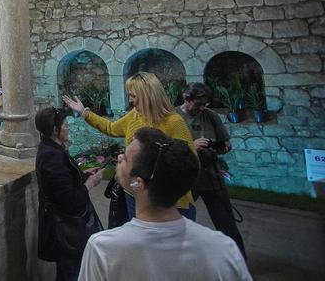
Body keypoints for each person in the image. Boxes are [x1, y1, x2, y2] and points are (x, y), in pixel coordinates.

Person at [78, 127, 251, 281]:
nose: (120, 157)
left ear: (137, 183)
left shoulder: (103, 249)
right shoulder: (222, 248)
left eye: (126, 158)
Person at [63, 72, 197, 219]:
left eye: (133, 96)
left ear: (147, 96)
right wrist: (84, 113)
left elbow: (188, 163)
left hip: (168, 200)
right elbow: (111, 128)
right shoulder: (134, 116)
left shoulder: (174, 122)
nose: (130, 100)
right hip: (134, 193)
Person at [176, 82, 246, 257]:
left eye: (205, 104)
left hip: (211, 177)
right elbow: (167, 148)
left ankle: (238, 261)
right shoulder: (173, 117)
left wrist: (216, 147)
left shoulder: (211, 116)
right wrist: (192, 146)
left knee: (226, 223)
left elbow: (226, 144)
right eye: (198, 104)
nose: (202, 108)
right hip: (185, 179)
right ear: (186, 99)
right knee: (179, 222)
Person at [35, 107, 104, 281]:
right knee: (72, 272)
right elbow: (68, 199)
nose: (68, 127)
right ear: (54, 130)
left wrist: (82, 174)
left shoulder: (52, 148)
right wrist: (90, 183)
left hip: (65, 228)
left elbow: (62, 180)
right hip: (66, 230)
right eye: (65, 124)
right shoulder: (52, 156)